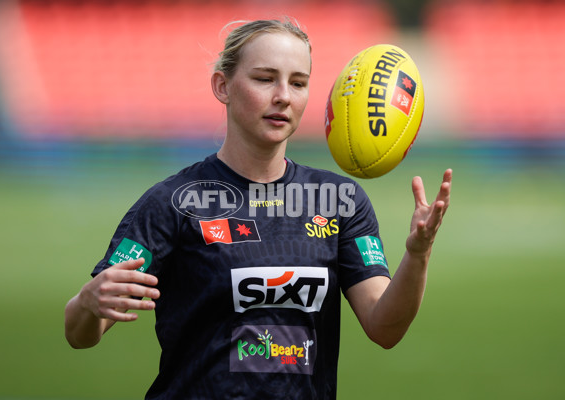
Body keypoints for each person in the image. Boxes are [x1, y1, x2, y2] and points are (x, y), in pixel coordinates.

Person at [64, 18, 452, 399]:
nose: (283, 95)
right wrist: (87, 302)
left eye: (298, 83)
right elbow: (81, 332)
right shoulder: (174, 201)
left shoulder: (339, 200)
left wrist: (418, 255)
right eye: (265, 79)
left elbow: (385, 328)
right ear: (223, 86)